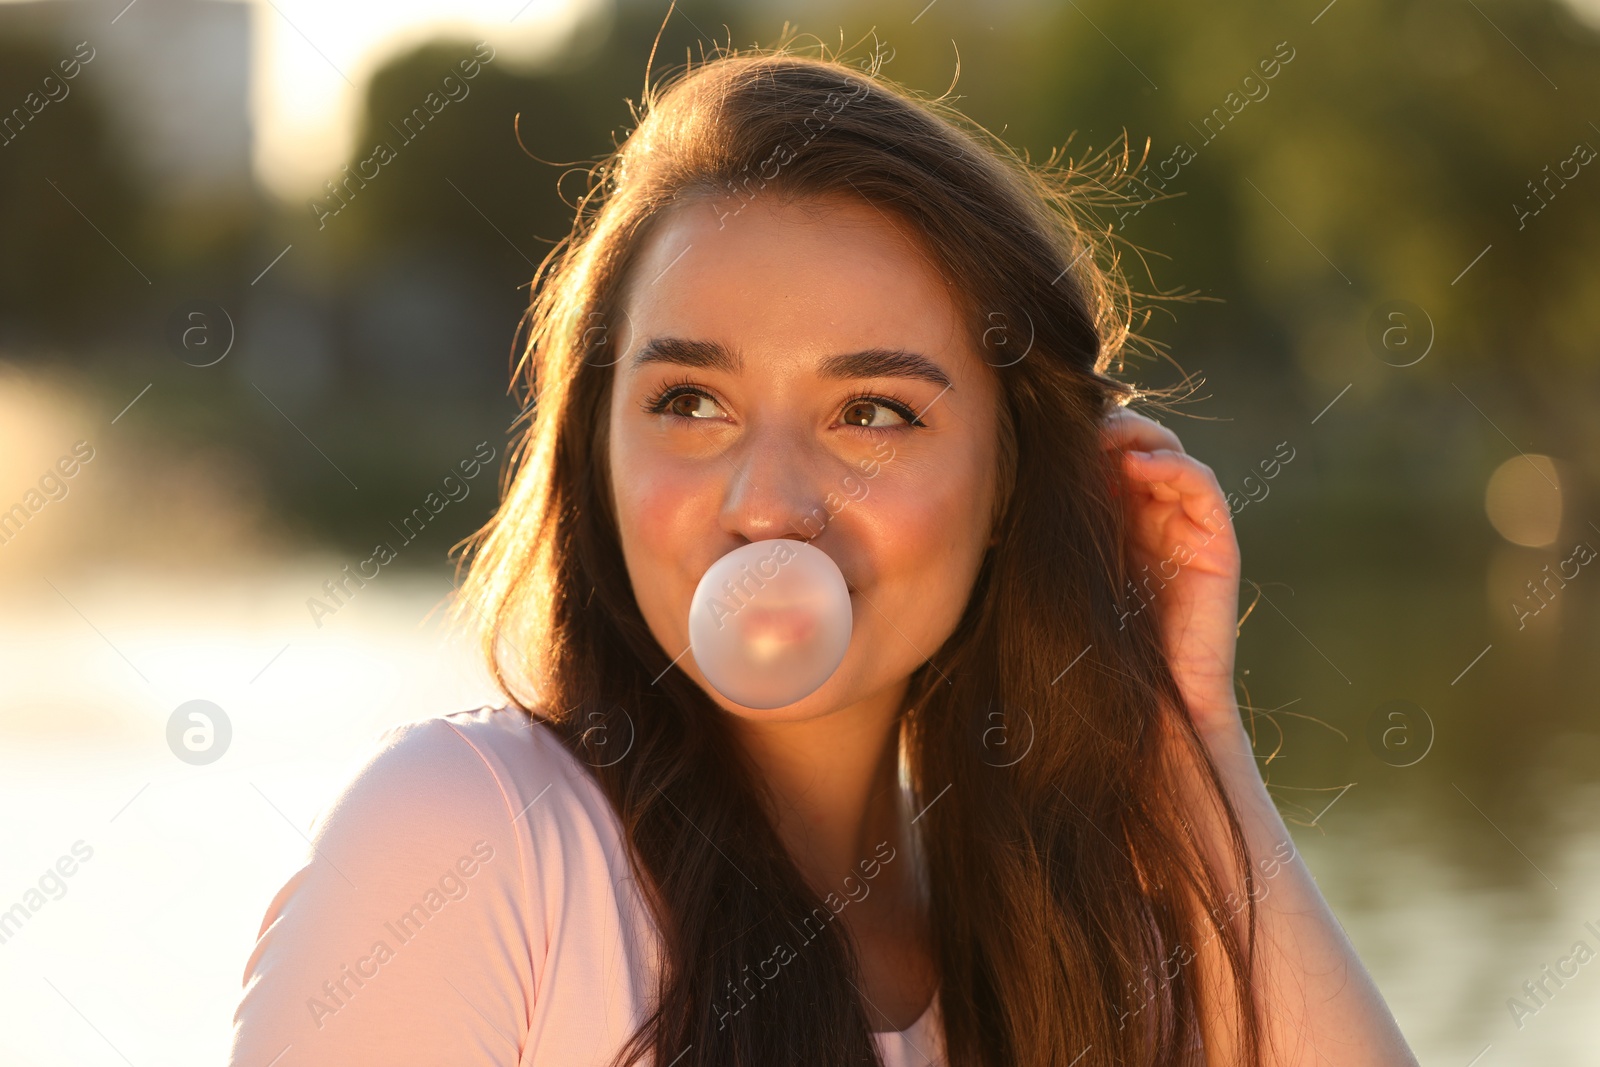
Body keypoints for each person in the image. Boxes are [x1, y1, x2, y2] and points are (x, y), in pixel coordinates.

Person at [226, 38, 1420, 1067]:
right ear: (595, 448)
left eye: (874, 413)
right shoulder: (472, 840)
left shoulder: (1081, 956)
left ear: (1010, 481)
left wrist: (1182, 745)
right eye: (689, 400)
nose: (766, 501)